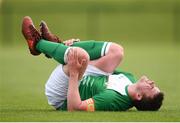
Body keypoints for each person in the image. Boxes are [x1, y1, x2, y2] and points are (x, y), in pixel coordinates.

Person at [22, 16, 164, 111]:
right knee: (117, 52)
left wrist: (73, 73)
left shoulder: (112, 99)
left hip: (63, 93)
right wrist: (75, 48)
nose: (152, 83)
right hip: (82, 74)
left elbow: (74, 107)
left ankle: (37, 44)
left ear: (139, 96)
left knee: (82, 55)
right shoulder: (129, 78)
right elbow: (103, 64)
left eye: (152, 88)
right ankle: (60, 46)